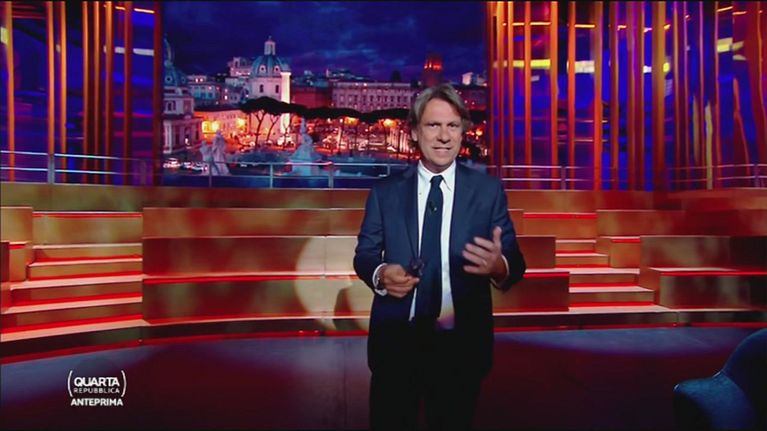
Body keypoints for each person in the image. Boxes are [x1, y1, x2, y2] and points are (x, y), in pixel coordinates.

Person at [354, 83, 526, 430]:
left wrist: (498, 266)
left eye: (453, 125)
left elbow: (515, 261)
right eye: (433, 125)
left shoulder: (488, 191)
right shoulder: (385, 193)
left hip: (461, 346)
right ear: (415, 132)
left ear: (463, 131)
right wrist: (381, 273)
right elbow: (365, 254)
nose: (444, 136)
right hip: (397, 343)